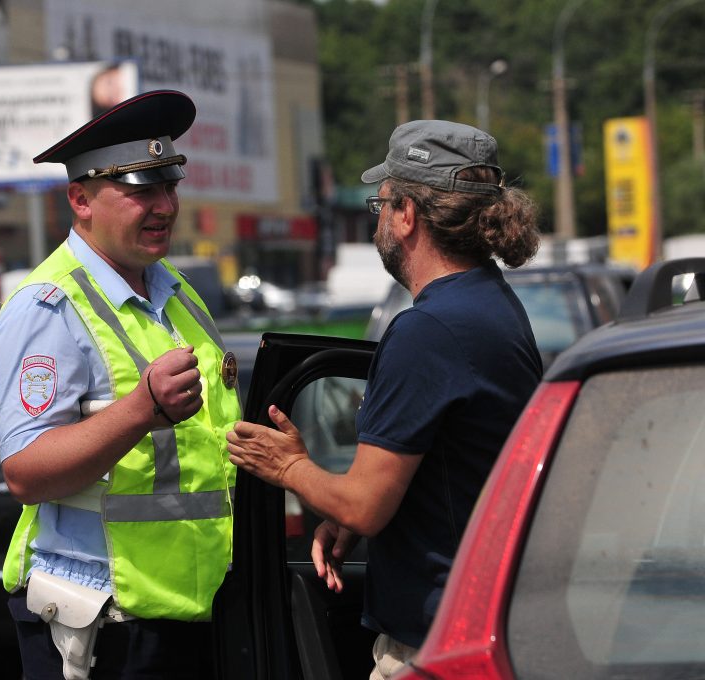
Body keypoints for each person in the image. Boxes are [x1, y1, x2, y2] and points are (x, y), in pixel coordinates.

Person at [225, 119, 543, 680]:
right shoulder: (490, 304)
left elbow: (366, 504)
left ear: (408, 215)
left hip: (436, 644)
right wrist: (353, 509)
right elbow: (444, 469)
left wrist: (289, 466)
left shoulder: (429, 330)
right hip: (477, 621)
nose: (379, 221)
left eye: (382, 204)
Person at [0, 89, 242, 680]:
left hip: (190, 612)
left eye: (170, 186)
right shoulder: (47, 306)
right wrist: (141, 410)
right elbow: (24, 471)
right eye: (140, 191)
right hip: (103, 624)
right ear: (80, 199)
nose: (164, 206)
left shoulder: (175, 290)